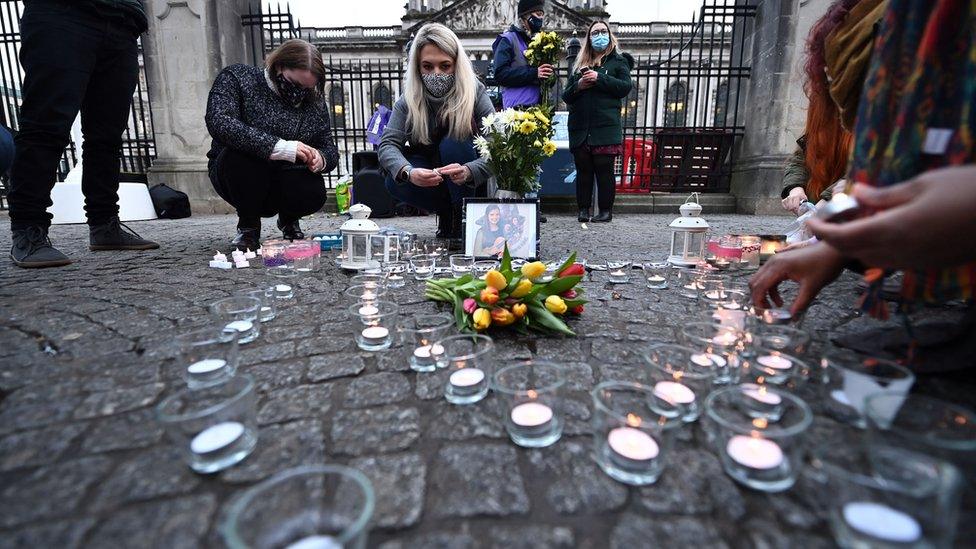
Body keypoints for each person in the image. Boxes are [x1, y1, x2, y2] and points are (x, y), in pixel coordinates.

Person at [751, 0, 976, 318]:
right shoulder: (834, 107)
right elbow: (810, 152)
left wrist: (842, 212)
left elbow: (904, 175)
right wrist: (833, 246)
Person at [8, 0, 158, 269]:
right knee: (46, 125)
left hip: (123, 20)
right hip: (62, 13)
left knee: (107, 136)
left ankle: (104, 225)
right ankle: (28, 229)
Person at [205, 39, 339, 251]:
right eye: (295, 84)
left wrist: (320, 158)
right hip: (238, 170)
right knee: (241, 158)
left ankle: (289, 218)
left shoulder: (314, 101)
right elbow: (220, 122)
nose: (299, 93)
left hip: (287, 175)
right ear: (279, 67)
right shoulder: (237, 78)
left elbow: (329, 148)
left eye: (307, 88)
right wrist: (280, 147)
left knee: (313, 191)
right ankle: (248, 227)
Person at [379, 23, 494, 240]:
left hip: (467, 172)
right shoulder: (408, 100)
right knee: (394, 178)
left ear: (456, 65)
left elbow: (498, 144)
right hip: (430, 171)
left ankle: (463, 216)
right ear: (417, 68)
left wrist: (471, 170)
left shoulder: (475, 91)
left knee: (454, 142)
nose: (437, 73)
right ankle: (446, 212)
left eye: (445, 66)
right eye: (428, 67)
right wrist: (408, 172)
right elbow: (387, 145)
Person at [780, 0, 883, 215]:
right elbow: (804, 152)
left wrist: (832, 199)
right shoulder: (823, 99)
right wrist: (795, 188)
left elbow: (874, 163)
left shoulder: (880, 107)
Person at [562, 20, 633, 223]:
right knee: (583, 169)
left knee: (604, 169)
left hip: (605, 126)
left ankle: (605, 211)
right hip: (580, 126)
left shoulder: (618, 62)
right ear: (589, 38)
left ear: (609, 35)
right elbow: (566, 95)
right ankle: (583, 209)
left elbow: (625, 87)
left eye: (603, 31)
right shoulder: (579, 65)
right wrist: (580, 86)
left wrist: (599, 79)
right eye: (595, 33)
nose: (599, 35)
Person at [491, 0, 551, 222]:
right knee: (516, 161)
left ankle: (532, 204)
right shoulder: (508, 40)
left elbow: (543, 77)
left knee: (533, 160)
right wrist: (533, 73)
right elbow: (501, 74)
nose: (541, 18)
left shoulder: (540, 42)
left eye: (542, 14)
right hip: (516, 109)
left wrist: (546, 76)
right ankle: (515, 205)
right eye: (537, 13)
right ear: (525, 16)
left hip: (537, 108)